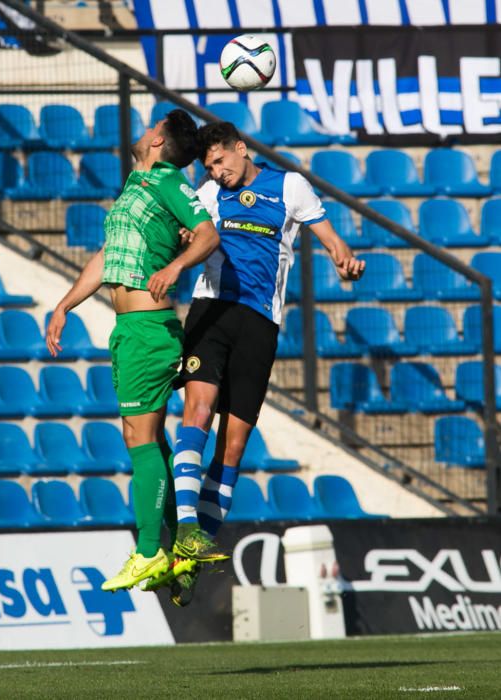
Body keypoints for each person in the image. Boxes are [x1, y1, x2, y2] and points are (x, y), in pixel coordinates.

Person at [144, 121, 366, 606]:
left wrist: (344, 260)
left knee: (234, 445)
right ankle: (186, 531)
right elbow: (193, 236)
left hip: (260, 323)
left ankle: (188, 565)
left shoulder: (289, 186)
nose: (216, 172)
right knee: (197, 412)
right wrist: (183, 239)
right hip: (212, 309)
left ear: (240, 150)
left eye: (220, 161)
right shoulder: (205, 192)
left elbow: (333, 242)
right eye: (209, 166)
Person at [45, 109, 220, 593]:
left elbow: (207, 232)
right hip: (129, 329)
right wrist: (65, 306)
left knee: (139, 439)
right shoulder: (134, 186)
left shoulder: (167, 180)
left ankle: (148, 552)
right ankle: (183, 543)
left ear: (159, 140)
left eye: (149, 128)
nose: (142, 133)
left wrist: (177, 266)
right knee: (146, 440)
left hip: (149, 329)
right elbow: (105, 258)